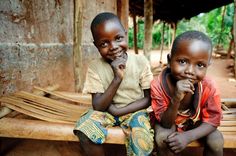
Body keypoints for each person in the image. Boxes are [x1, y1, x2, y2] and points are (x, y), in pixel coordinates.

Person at [73, 12, 154, 156]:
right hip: (106, 112)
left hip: (136, 112)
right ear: (96, 45)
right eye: (104, 43)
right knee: (85, 128)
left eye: (118, 38)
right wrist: (117, 78)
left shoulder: (140, 62)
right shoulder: (95, 67)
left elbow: (148, 99)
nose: (113, 47)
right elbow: (98, 106)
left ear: (125, 34)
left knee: (142, 138)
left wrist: (118, 111)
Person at [150, 30, 223, 156]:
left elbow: (213, 121)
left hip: (195, 124)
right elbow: (165, 123)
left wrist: (187, 136)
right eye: (182, 61)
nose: (190, 71)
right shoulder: (158, 85)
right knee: (163, 138)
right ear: (169, 60)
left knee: (215, 141)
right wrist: (176, 98)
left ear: (207, 66)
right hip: (167, 122)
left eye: (200, 65)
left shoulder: (209, 86)